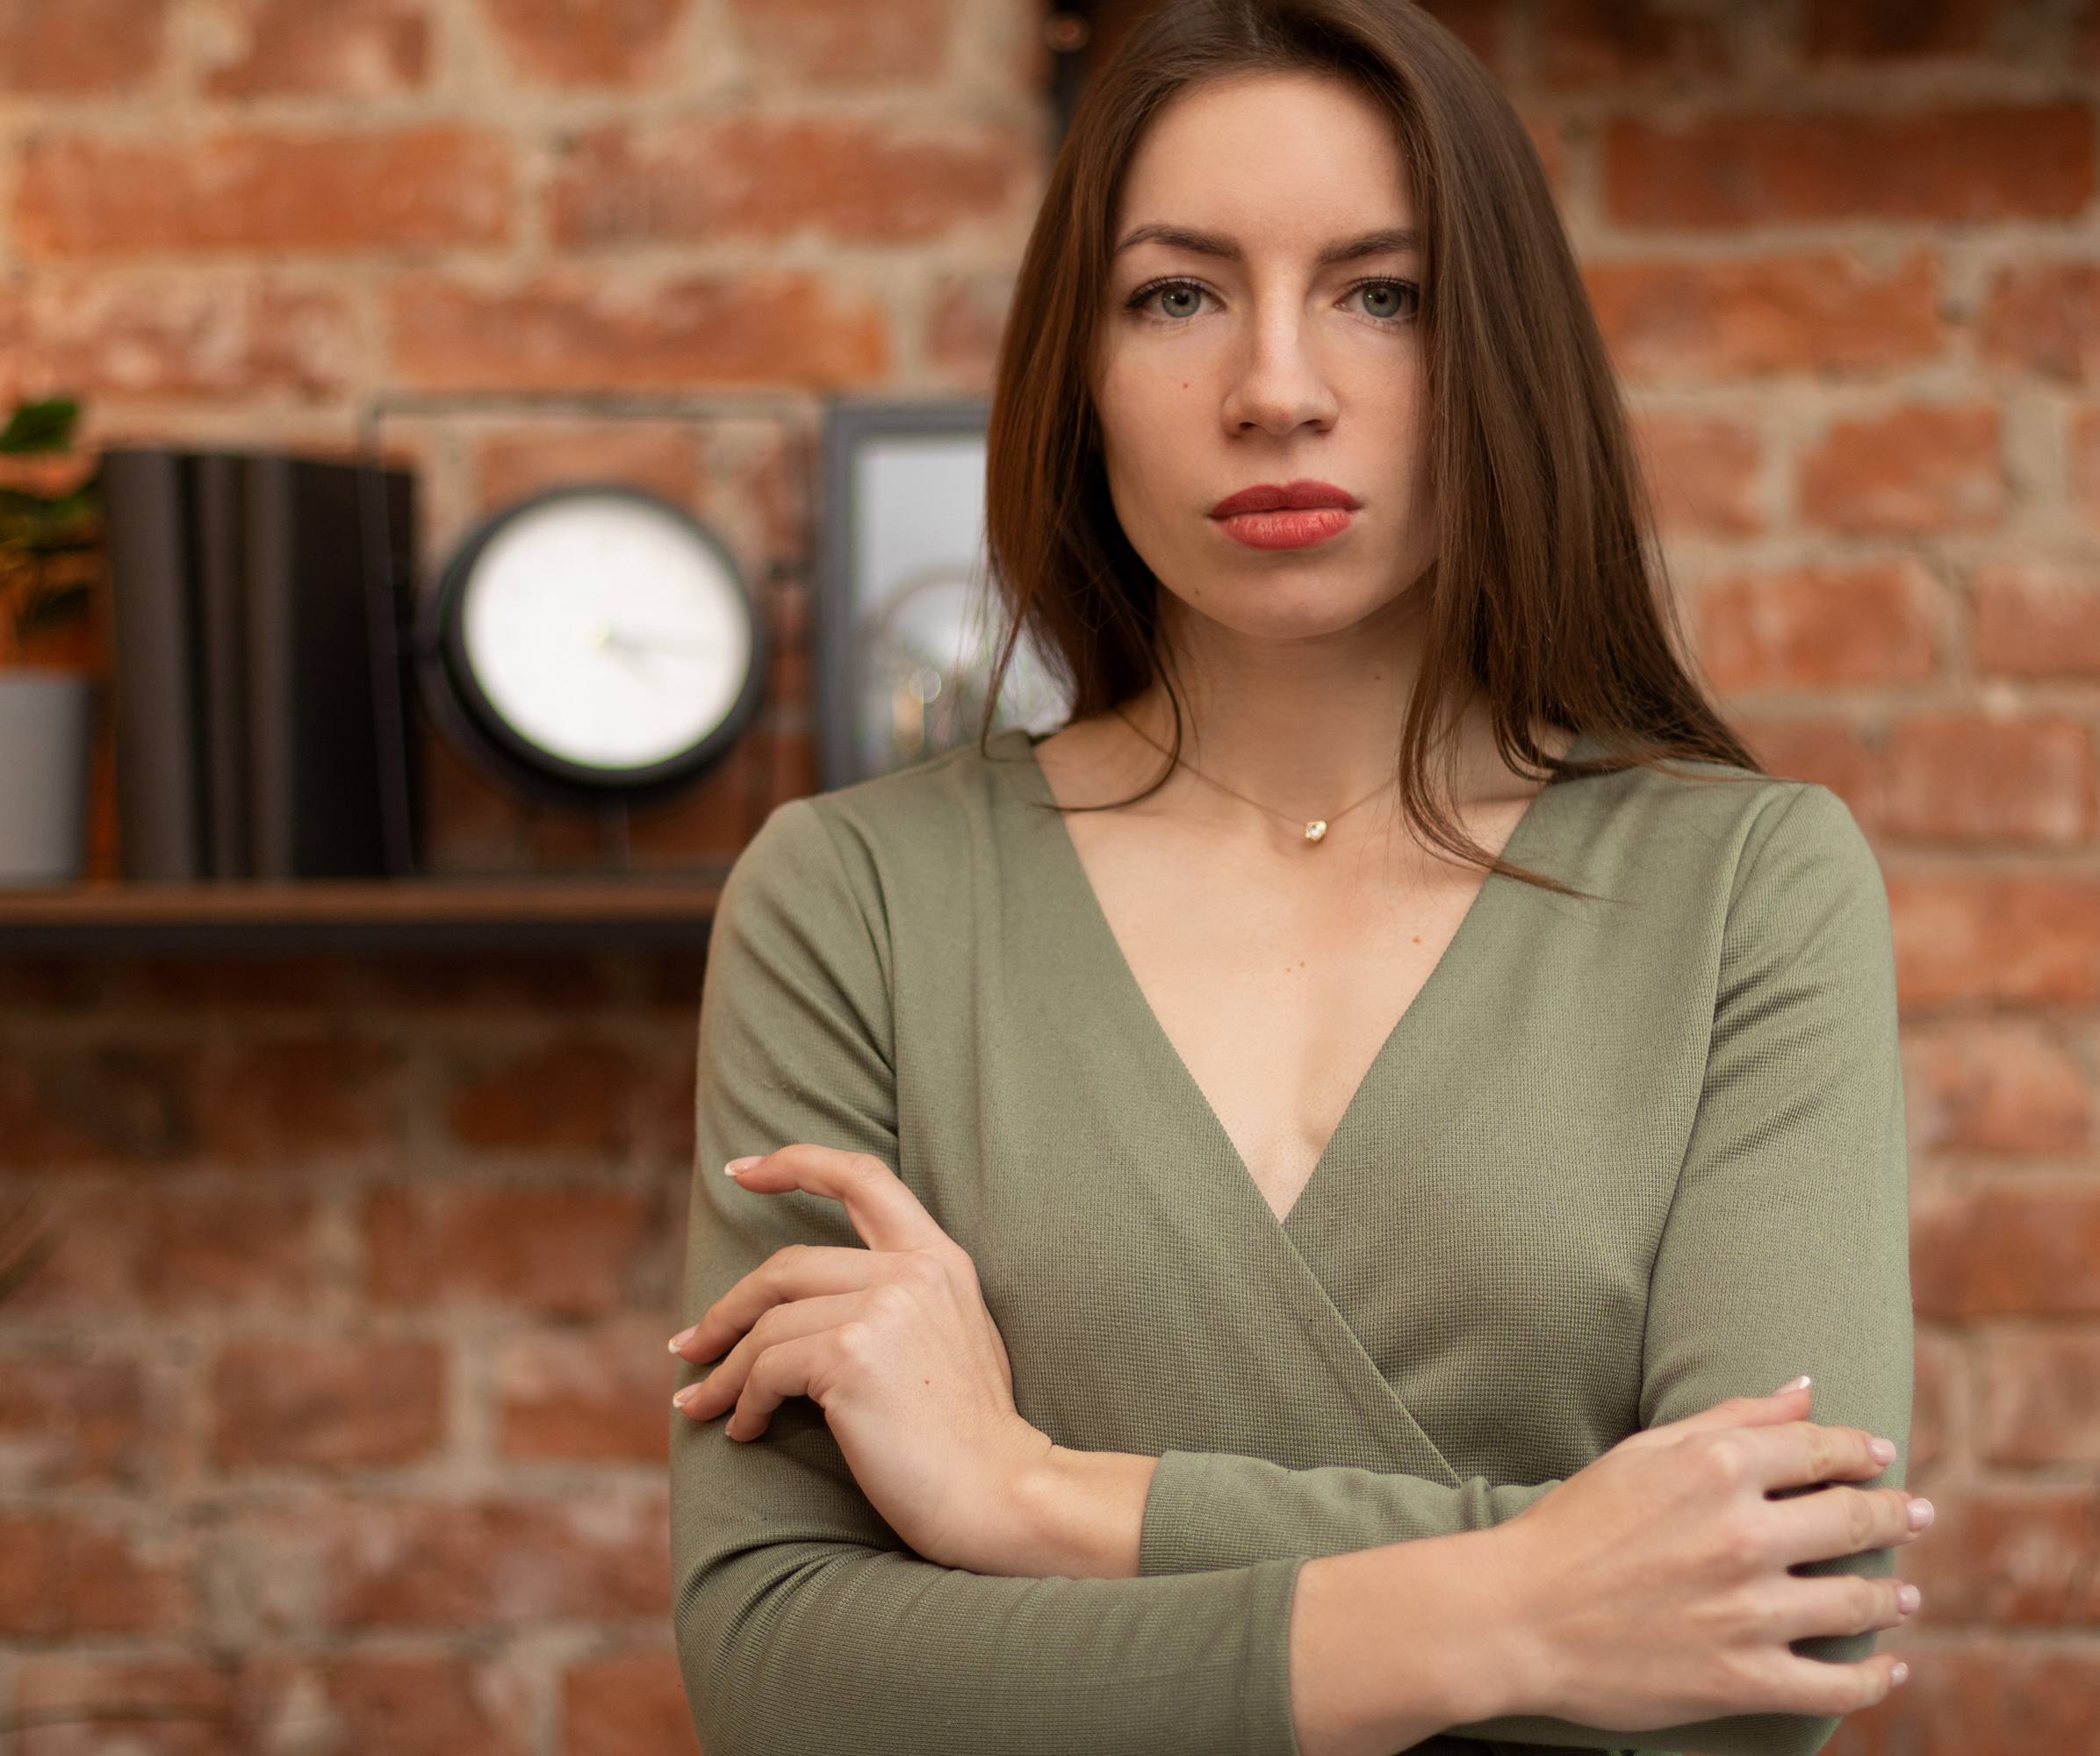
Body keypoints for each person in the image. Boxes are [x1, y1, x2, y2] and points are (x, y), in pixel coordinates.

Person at [665, 3, 1923, 1752]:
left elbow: (1773, 1633)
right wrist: (1539, 1602)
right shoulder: (853, 901)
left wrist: (1036, 1498)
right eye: (1177, 294)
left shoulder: (1748, 888)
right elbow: (786, 1671)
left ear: (1499, 351)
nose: (1276, 389)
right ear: (1078, 367)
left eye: (1380, 294)